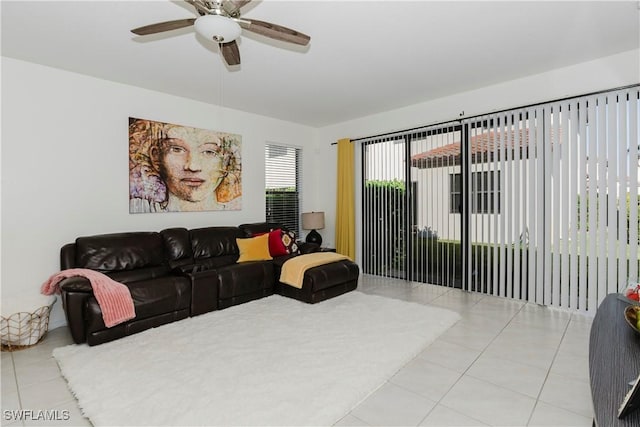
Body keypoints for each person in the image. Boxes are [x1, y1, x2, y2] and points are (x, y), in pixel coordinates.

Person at [129, 118, 241, 213]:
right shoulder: (138, 208)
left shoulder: (237, 207)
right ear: (156, 158)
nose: (193, 166)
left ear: (226, 162)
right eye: (177, 150)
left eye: (209, 152)